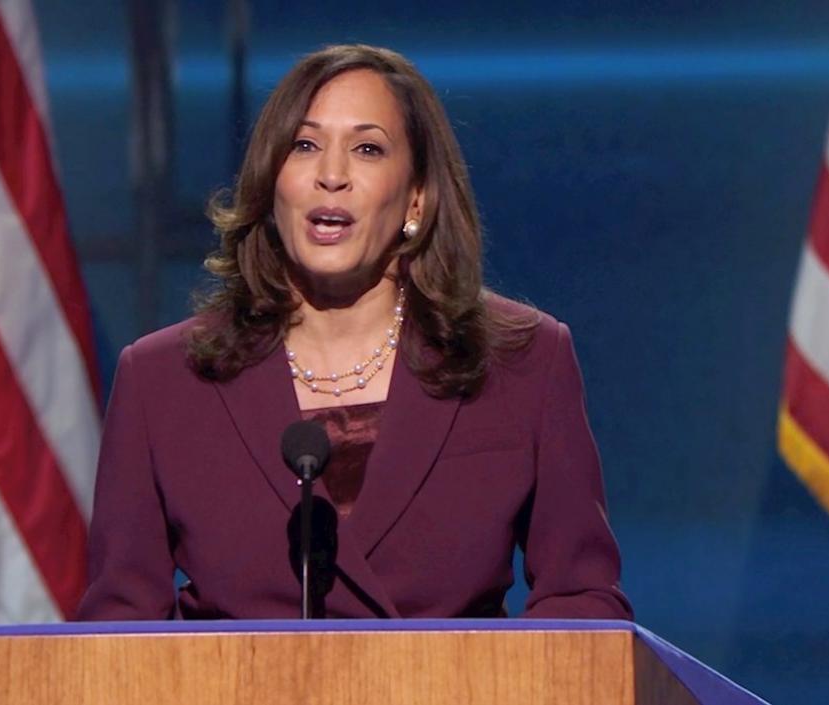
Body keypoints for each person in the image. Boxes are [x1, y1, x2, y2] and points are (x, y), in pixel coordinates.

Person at [76, 44, 632, 620]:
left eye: (367, 149)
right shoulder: (164, 380)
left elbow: (582, 608)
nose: (331, 176)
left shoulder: (521, 362)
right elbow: (118, 631)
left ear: (417, 198)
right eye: (305, 146)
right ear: (273, 187)